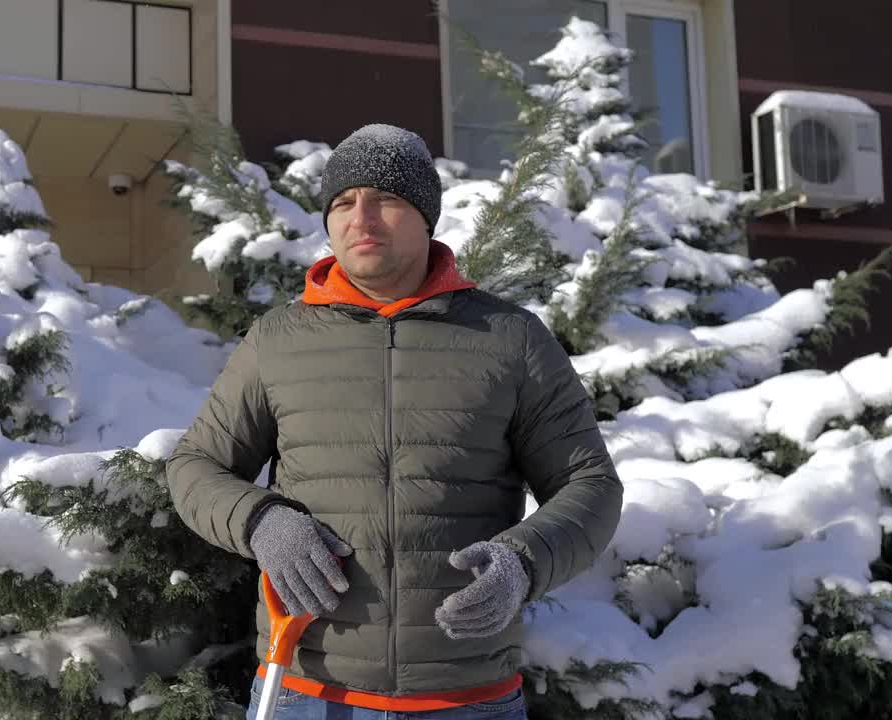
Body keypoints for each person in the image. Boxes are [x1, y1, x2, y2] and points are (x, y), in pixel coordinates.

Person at [167, 123, 623, 719]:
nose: (362, 217)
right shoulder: (278, 340)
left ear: (426, 217)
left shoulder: (511, 339)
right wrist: (262, 522)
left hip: (468, 700)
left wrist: (524, 561)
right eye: (343, 203)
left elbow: (591, 485)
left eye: (386, 199)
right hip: (308, 694)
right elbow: (196, 466)